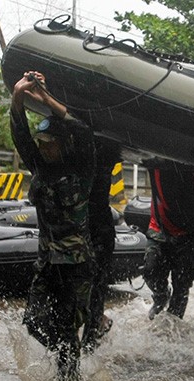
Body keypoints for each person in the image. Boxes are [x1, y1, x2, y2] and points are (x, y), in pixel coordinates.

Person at [10, 71, 96, 381]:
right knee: (34, 322)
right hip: (46, 263)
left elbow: (84, 131)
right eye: (42, 142)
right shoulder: (40, 168)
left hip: (76, 265)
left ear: (62, 143)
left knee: (67, 330)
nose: (44, 148)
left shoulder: (83, 167)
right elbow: (20, 136)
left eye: (50, 143)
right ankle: (64, 356)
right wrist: (18, 97)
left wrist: (47, 100)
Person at [144, 161, 194, 320]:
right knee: (150, 270)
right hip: (159, 229)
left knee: (182, 286)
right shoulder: (157, 160)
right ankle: (161, 295)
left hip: (188, 234)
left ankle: (173, 329)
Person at [81, 139, 121, 353]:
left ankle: (91, 340)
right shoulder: (76, 157)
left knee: (95, 287)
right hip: (85, 227)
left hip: (99, 229)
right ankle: (97, 322)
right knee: (88, 289)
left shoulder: (101, 155)